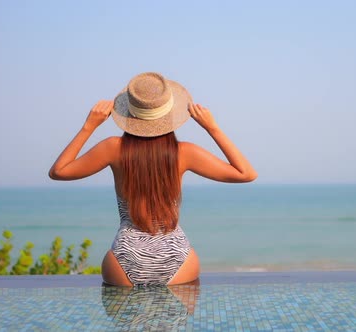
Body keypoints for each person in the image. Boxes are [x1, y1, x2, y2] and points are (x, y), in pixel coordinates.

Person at [49, 72, 257, 286]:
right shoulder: (183, 153)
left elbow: (59, 171)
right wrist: (212, 127)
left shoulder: (113, 148)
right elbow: (246, 173)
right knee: (173, 317)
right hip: (177, 257)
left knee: (125, 315)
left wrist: (89, 126)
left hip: (125, 257)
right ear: (170, 115)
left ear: (129, 114)